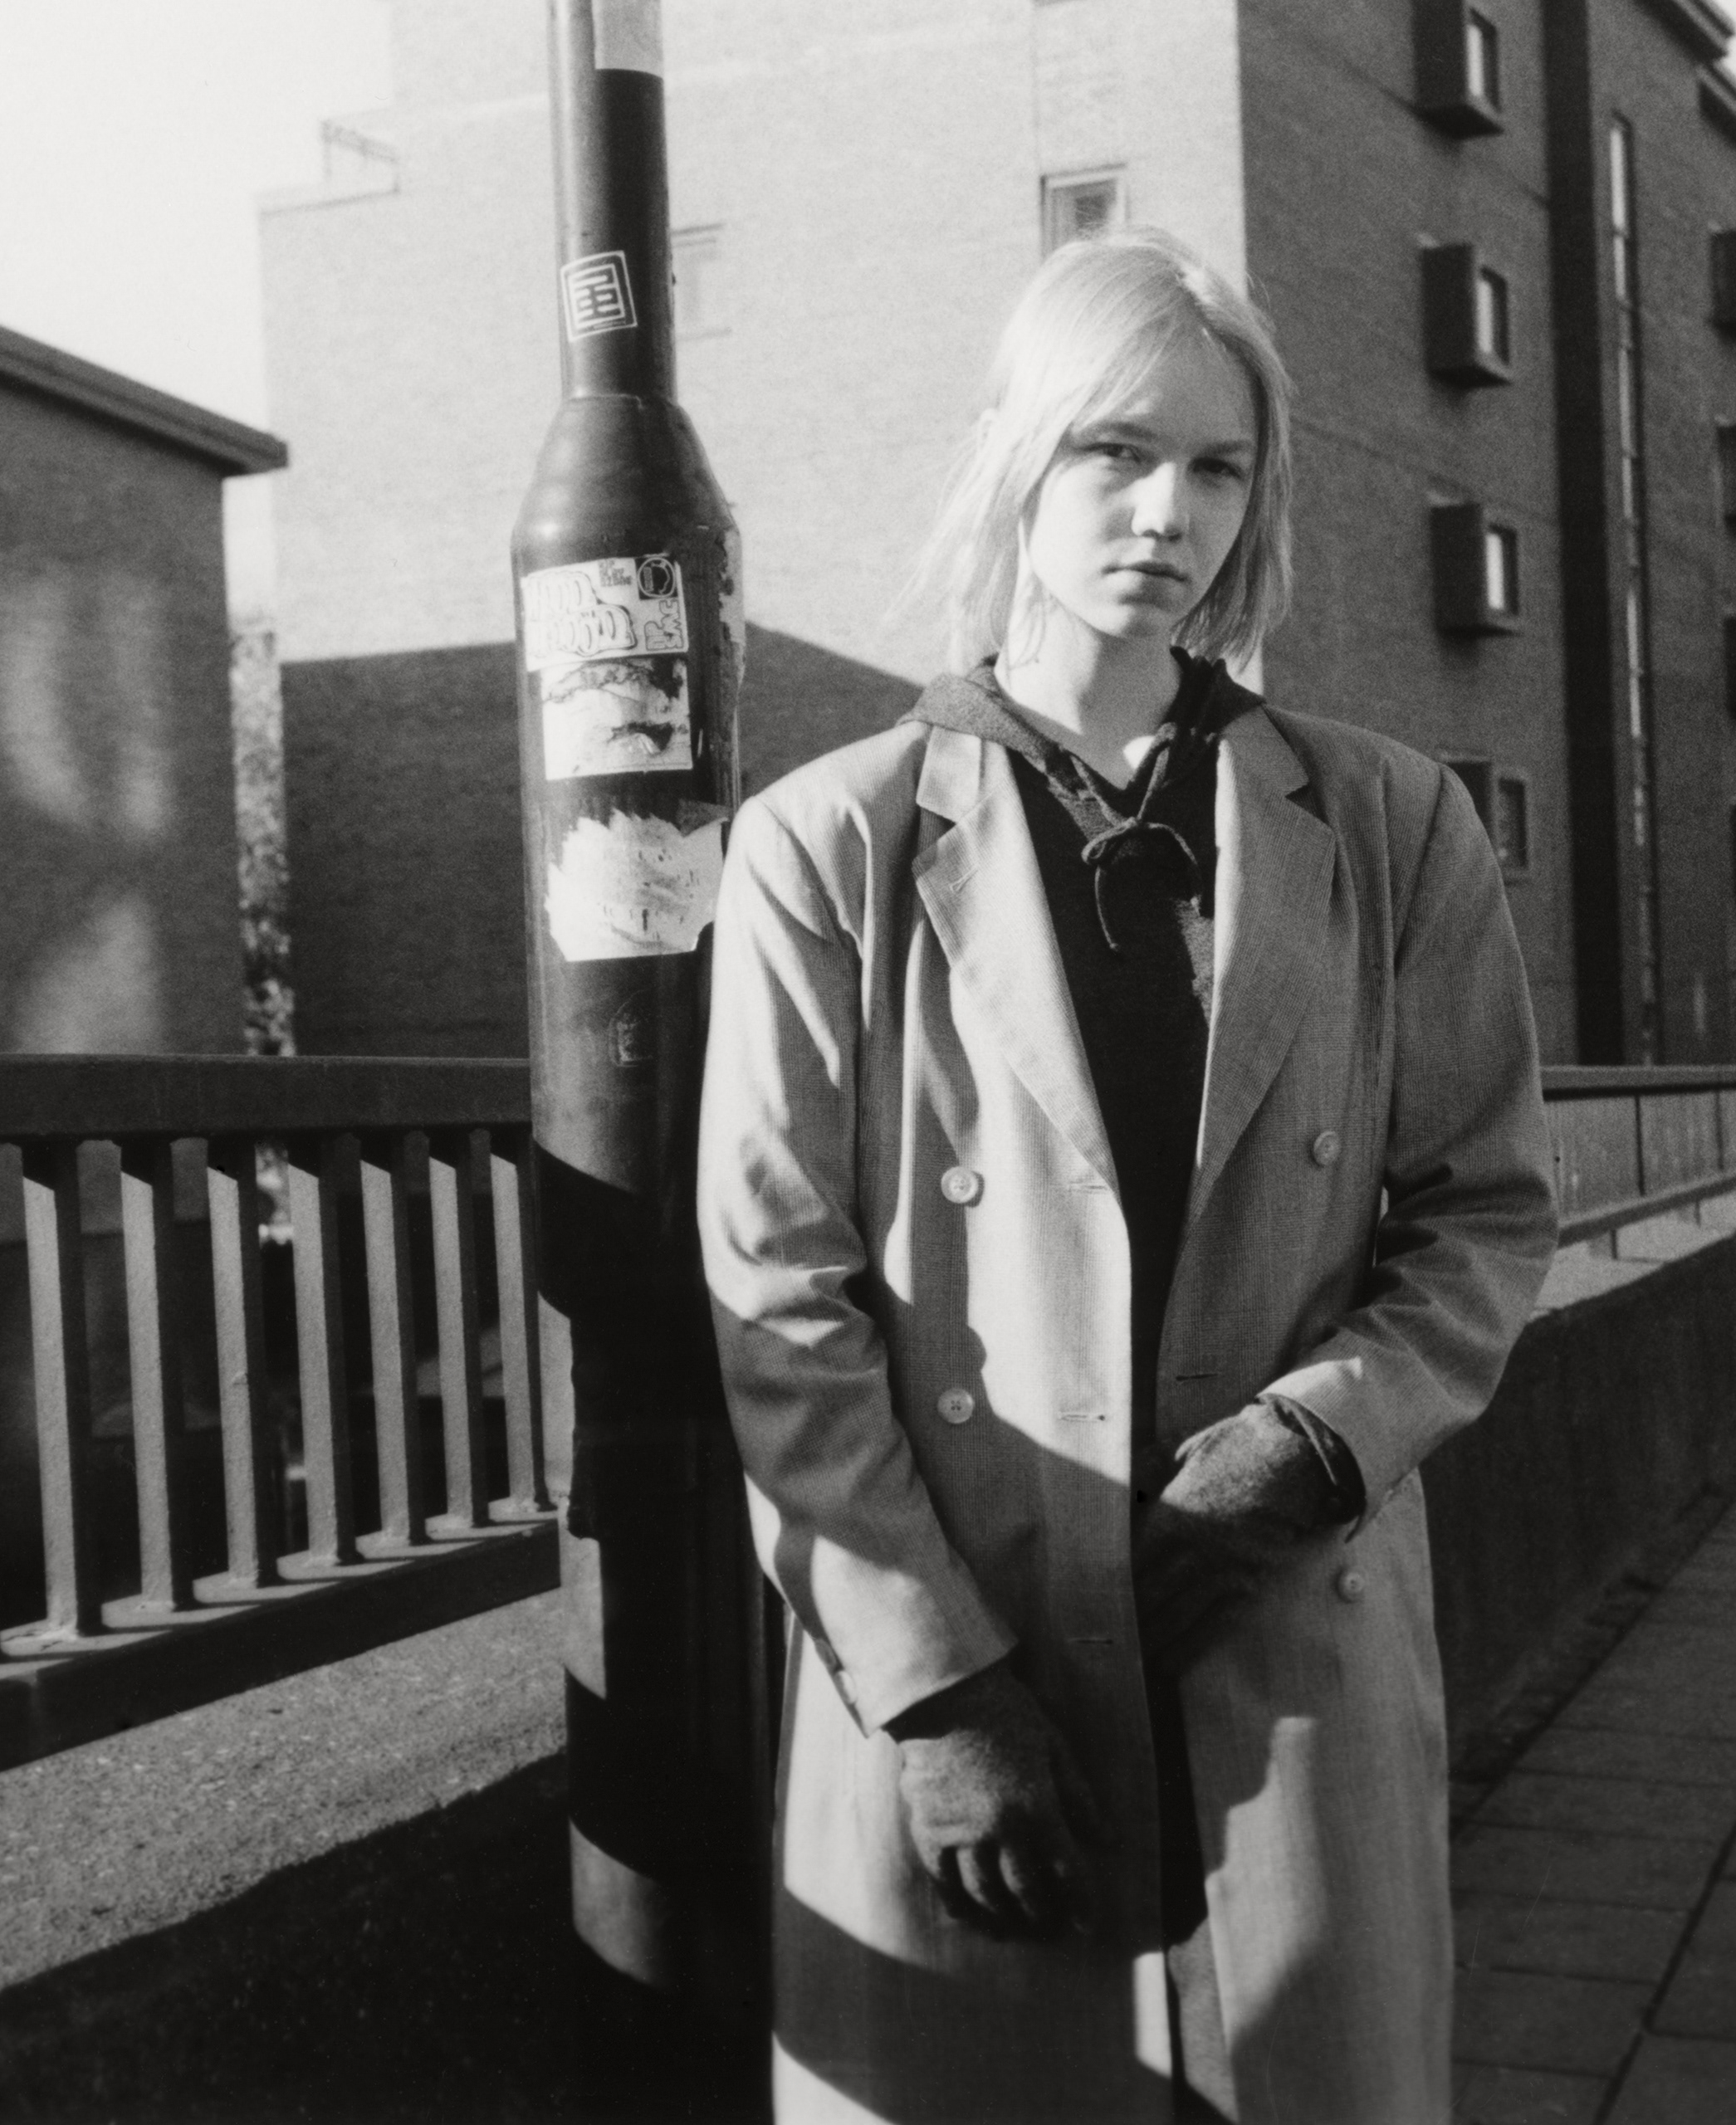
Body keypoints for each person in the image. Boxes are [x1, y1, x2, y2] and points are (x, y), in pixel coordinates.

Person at [697, 227, 1556, 2124]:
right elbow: (779, 1302)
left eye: (1216, 466)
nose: (1167, 511)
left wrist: (1310, 1442)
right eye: (1115, 449)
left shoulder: (1390, 821)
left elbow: (1485, 1210)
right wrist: (938, 1694)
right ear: (1019, 453)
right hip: (961, 1638)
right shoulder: (827, 846)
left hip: (1286, 1637)